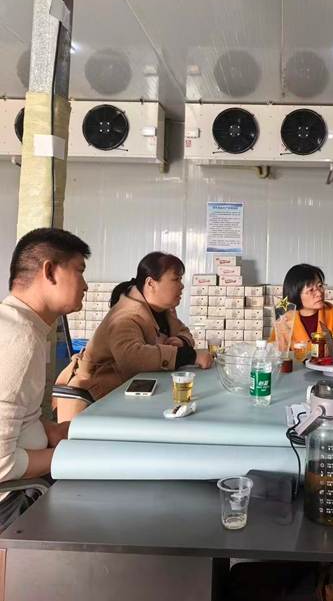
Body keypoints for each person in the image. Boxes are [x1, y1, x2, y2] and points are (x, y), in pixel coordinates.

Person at [0, 227, 90, 531]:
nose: (85, 285)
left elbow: (17, 415)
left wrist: (49, 430)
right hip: (13, 498)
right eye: (79, 270)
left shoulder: (18, 326)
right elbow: (1, 465)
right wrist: (70, 456)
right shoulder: (20, 340)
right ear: (50, 271)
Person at [55, 252, 213, 421]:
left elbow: (184, 331)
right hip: (94, 400)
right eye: (176, 279)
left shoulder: (163, 310)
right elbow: (132, 357)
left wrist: (181, 341)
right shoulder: (125, 316)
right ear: (150, 283)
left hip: (125, 394)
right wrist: (189, 355)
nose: (181, 286)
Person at [270, 264, 333, 354]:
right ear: (295, 294)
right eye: (311, 290)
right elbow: (273, 353)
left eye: (320, 286)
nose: (319, 293)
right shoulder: (284, 321)